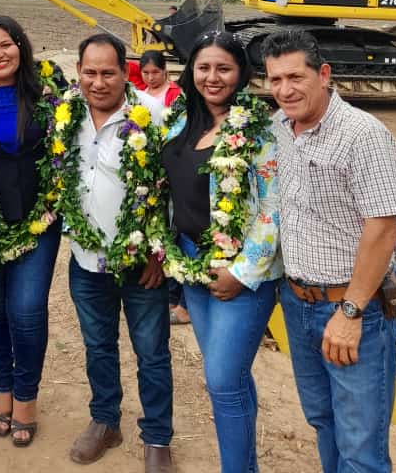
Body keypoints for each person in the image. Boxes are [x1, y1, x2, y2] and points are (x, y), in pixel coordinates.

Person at [262, 29, 396, 473]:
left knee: (361, 447)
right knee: (324, 421)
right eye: (275, 79)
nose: (285, 89)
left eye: (295, 77)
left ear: (323, 74)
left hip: (352, 310)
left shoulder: (363, 135)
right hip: (298, 303)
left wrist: (351, 312)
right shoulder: (280, 127)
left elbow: (383, 227)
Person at [160, 31, 282, 473]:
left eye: (224, 68)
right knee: (227, 378)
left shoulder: (258, 130)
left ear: (241, 74)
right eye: (204, 67)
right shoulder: (179, 121)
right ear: (191, 71)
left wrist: (242, 272)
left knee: (223, 380)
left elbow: (272, 207)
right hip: (192, 263)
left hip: (241, 272)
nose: (213, 77)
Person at [67, 33, 174, 472]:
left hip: (140, 264)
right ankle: (105, 421)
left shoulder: (152, 115)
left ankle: (158, 437)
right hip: (86, 260)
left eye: (108, 73)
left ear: (124, 73)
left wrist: (158, 251)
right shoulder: (66, 114)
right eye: (89, 72)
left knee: (152, 352)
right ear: (78, 72)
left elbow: (172, 187)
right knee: (98, 347)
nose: (98, 82)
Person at [0, 15, 62, 448]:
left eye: (5, 44)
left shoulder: (50, 92)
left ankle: (26, 396)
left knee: (27, 309)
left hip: (40, 218)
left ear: (21, 45)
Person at [138, 50, 187, 324]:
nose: (150, 77)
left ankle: (177, 294)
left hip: (172, 173)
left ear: (164, 70)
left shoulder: (176, 97)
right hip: (151, 173)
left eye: (155, 72)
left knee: (174, 229)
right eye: (145, 73)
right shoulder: (139, 96)